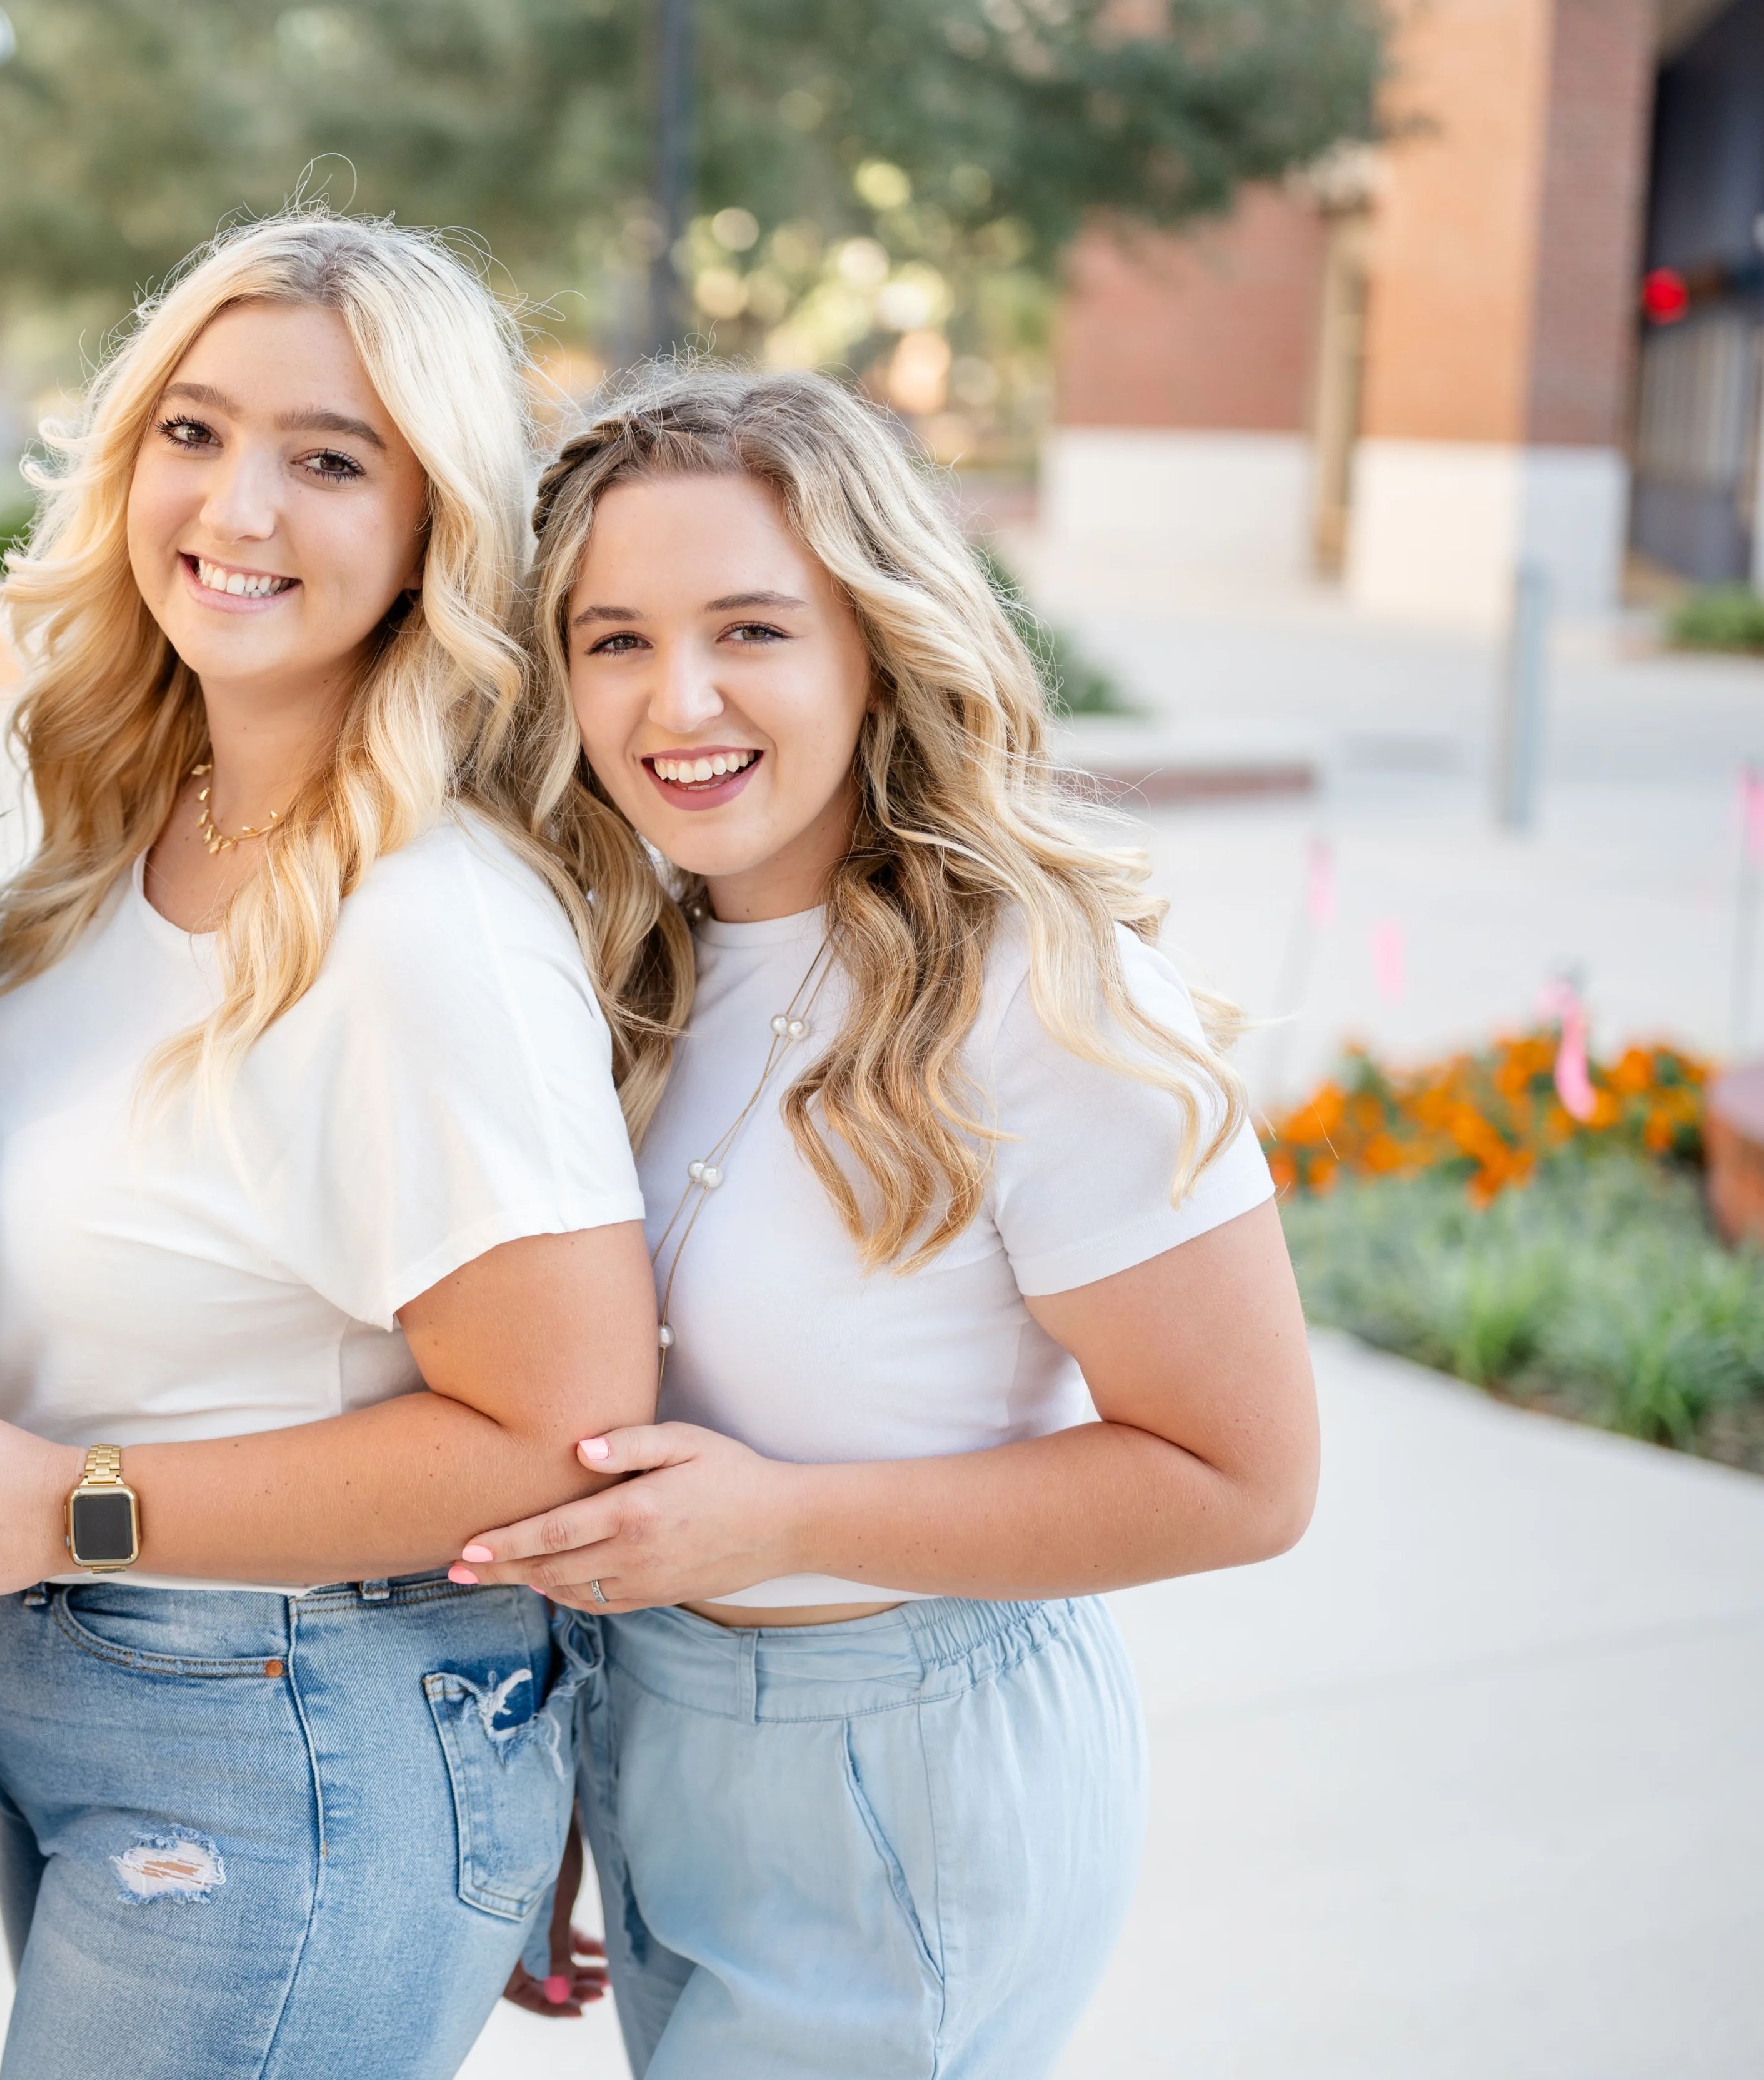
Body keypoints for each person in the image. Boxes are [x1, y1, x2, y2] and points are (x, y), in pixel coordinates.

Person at [0, 211, 670, 2079]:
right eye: (194, 431)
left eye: (329, 460)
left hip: (286, 1736)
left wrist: (65, 1505)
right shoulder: (122, 828)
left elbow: (552, 1438)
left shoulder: (431, 932)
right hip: (92, 1693)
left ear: (438, 528)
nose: (237, 505)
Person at [454, 367, 1320, 2079]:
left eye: (751, 629)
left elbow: (1248, 1480)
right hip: (663, 1725)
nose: (673, 698)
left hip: (903, 1768)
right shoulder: (616, 970)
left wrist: (777, 1523)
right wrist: (569, 1768)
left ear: (876, 641)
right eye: (612, 638)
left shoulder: (1048, 998)